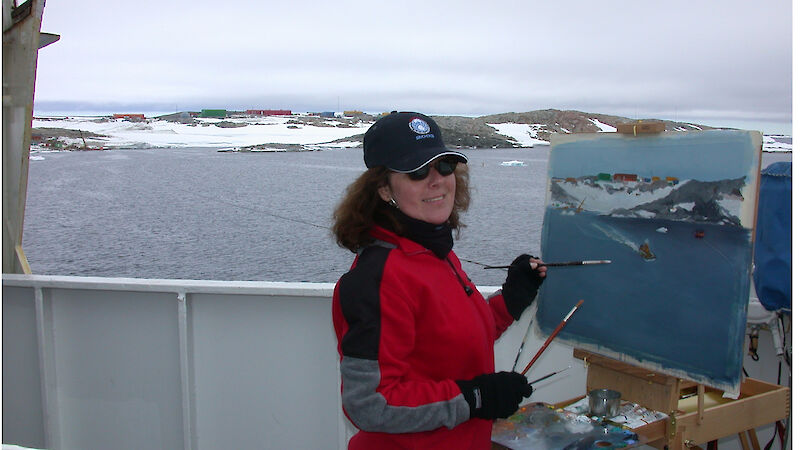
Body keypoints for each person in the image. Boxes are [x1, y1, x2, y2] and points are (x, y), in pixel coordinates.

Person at [331, 111, 547, 449]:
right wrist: (475, 398)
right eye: (417, 172)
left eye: (444, 166)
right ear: (385, 189)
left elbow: (452, 338)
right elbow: (369, 404)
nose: (436, 180)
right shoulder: (377, 279)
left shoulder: (435, 254)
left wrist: (511, 300)